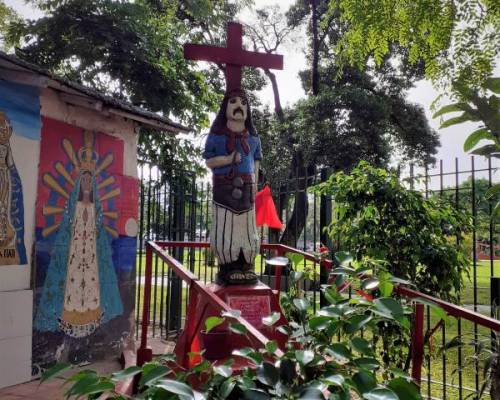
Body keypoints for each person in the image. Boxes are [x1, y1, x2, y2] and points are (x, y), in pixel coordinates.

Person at [34, 134, 123, 339]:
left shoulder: (95, 203)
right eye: (83, 180)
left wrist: (92, 225)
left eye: (88, 180)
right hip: (75, 244)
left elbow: (98, 220)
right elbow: (68, 219)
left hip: (90, 246)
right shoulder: (73, 202)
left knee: (91, 278)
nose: (86, 184)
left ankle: (91, 312)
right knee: (73, 278)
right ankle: (70, 314)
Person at [203, 89, 262, 285]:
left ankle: (247, 264)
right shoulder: (216, 136)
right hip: (224, 189)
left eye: (244, 103)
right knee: (226, 224)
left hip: (247, 189)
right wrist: (228, 159)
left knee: (247, 228)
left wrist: (254, 185)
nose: (239, 106)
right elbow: (209, 161)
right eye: (234, 101)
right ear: (225, 107)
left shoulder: (253, 139)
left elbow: (256, 162)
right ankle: (227, 266)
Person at [0, 111, 26, 265]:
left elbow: (10, 165)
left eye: (4, 129)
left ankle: (3, 236)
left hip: (4, 178)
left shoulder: (6, 147)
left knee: (3, 208)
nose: (3, 131)